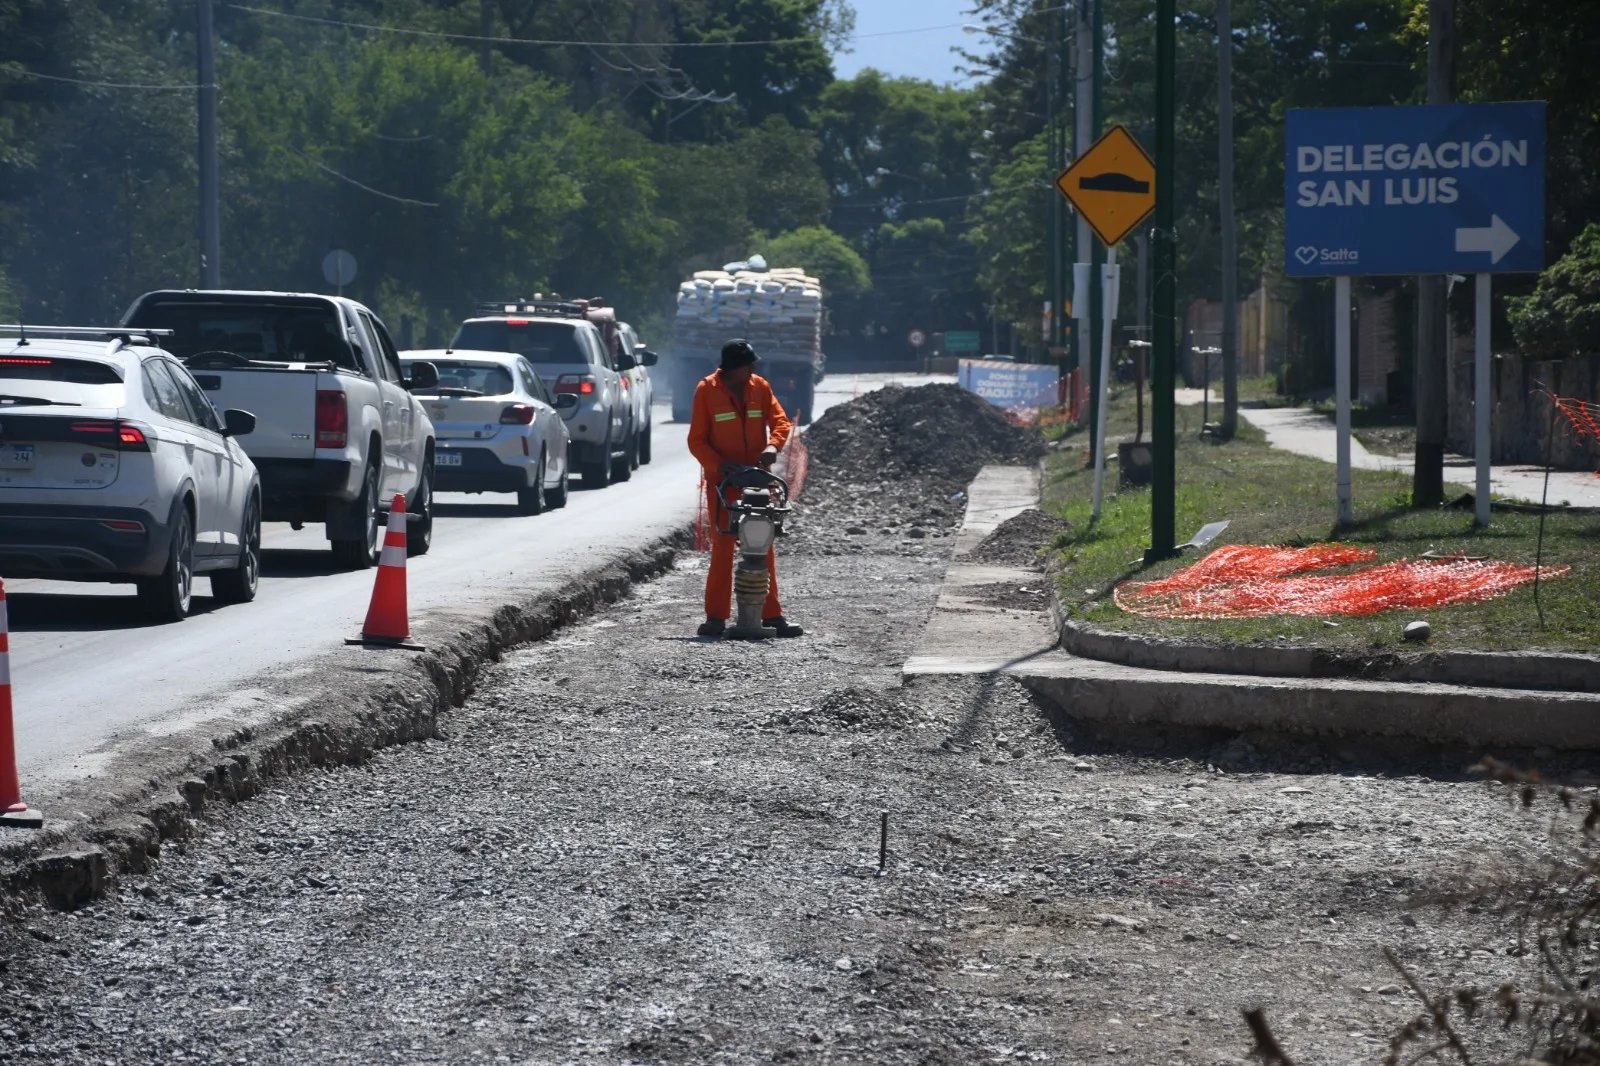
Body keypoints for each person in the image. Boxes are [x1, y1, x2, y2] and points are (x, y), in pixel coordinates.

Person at [686, 339, 804, 639]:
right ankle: (715, 618)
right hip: (724, 484)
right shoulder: (707, 391)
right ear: (733, 368)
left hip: (756, 482)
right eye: (749, 364)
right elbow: (696, 440)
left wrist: (772, 446)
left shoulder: (759, 387)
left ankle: (772, 616)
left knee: (762, 545)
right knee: (723, 548)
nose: (754, 368)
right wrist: (718, 464)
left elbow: (780, 422)